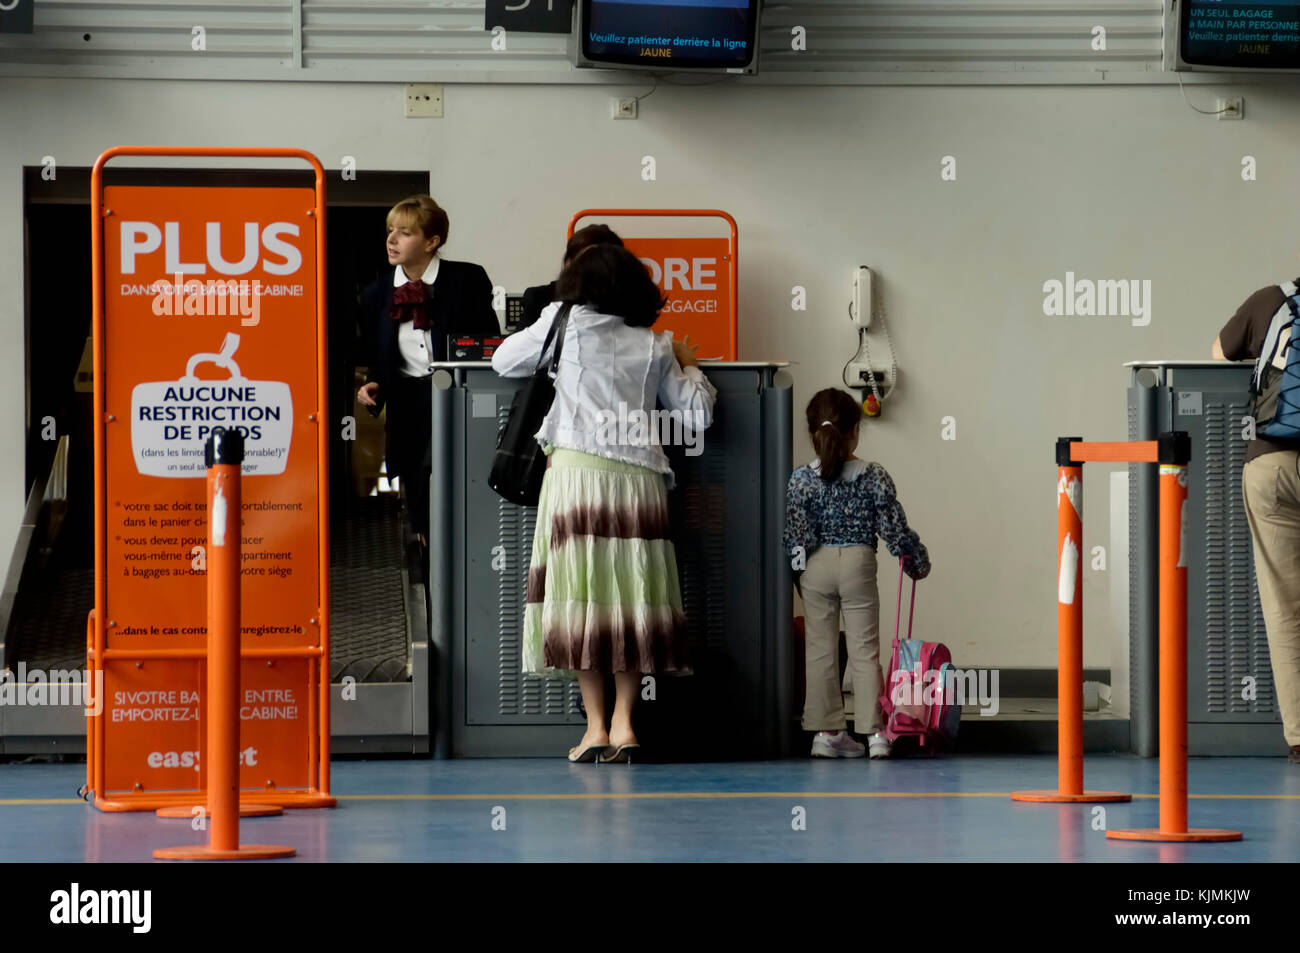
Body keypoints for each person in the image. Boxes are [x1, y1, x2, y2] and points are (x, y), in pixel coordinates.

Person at [491, 244, 716, 763]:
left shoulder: (561, 325)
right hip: (638, 480)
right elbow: (698, 416)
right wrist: (691, 362)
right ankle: (625, 725)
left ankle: (593, 727)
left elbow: (503, 361)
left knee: (580, 600)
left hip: (575, 477)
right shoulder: (657, 345)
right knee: (630, 600)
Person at [783, 388, 931, 760]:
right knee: (865, 651)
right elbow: (894, 529)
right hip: (859, 564)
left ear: (813, 432)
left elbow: (795, 537)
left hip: (814, 567)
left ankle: (826, 734)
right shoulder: (873, 476)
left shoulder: (800, 479)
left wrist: (795, 575)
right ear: (855, 432)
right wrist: (917, 561)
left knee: (820, 650)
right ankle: (875, 735)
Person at [356, 195, 499, 544]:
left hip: (456, 397)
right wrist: (374, 383)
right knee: (418, 490)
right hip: (407, 402)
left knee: (458, 481)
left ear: (432, 242)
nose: (392, 239)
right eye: (390, 230)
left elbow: (490, 346)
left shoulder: (467, 279)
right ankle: (429, 563)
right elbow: (378, 356)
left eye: (404, 232)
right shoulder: (376, 294)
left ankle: (463, 560)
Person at [1213, 277, 1300, 763]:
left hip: (1270, 463)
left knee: (1286, 609)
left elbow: (1219, 350)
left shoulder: (1274, 298)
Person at [519, 224, 624, 328]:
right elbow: (518, 343)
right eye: (583, 260)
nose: (592, 268)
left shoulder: (627, 300)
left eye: (601, 262)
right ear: (568, 262)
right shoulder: (539, 298)